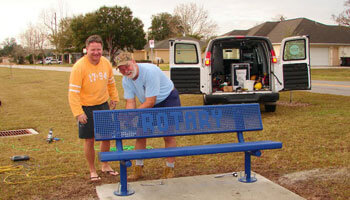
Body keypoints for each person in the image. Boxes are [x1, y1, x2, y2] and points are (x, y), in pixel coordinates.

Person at [115, 52, 181, 180]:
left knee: (168, 135)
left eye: (127, 66)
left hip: (168, 100)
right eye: (121, 69)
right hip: (148, 102)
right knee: (140, 135)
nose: (125, 71)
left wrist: (132, 115)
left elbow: (151, 101)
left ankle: (169, 168)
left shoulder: (150, 71)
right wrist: (129, 116)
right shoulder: (126, 80)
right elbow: (130, 101)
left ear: (134, 62)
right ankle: (138, 169)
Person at [68, 35, 120, 181]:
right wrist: (78, 113)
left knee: (106, 137)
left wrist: (114, 97)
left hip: (102, 105)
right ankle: (92, 170)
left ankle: (105, 165)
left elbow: (111, 83)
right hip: (86, 107)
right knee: (89, 140)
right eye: (93, 50)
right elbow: (73, 93)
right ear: (87, 50)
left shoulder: (106, 63)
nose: (96, 53)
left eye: (99, 49)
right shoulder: (79, 67)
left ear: (102, 49)